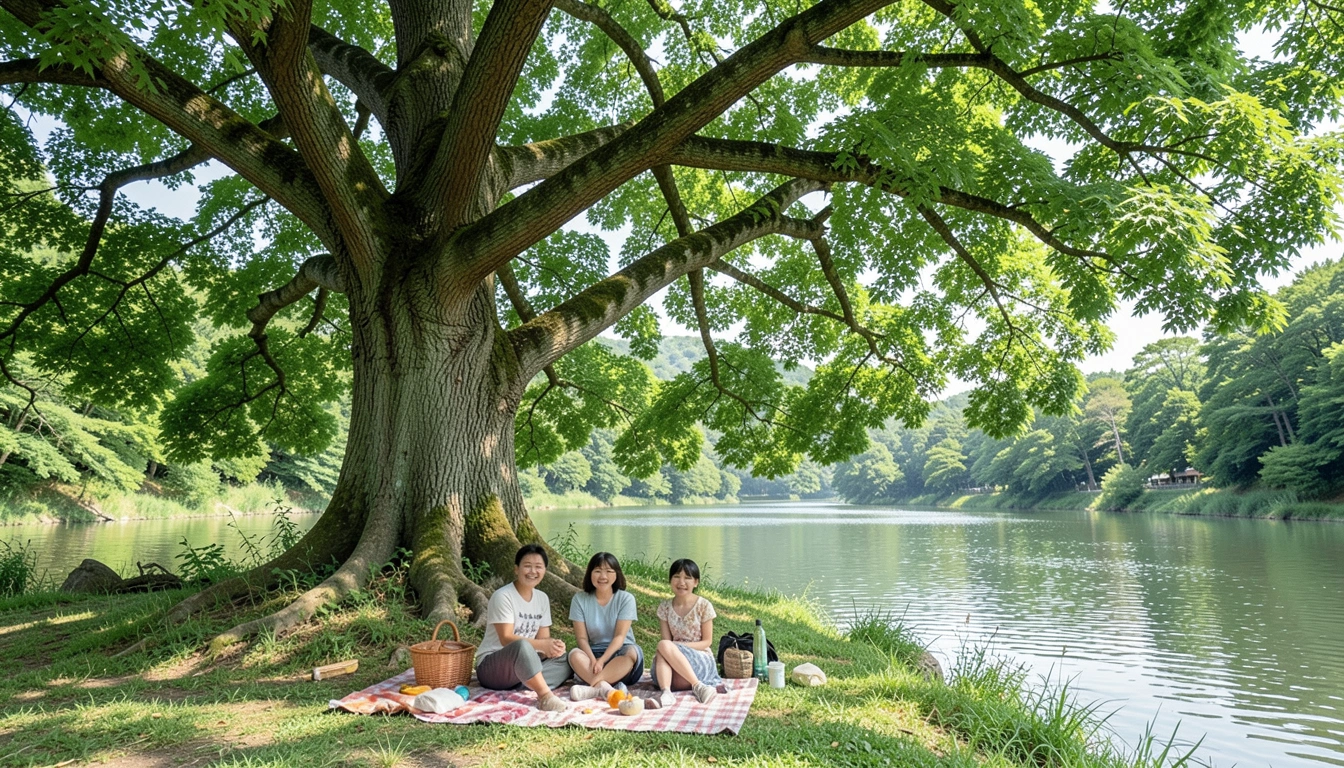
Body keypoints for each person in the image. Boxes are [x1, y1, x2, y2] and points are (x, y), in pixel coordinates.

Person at [473, 544, 571, 711]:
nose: (533, 571)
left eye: (538, 567)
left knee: (568, 659)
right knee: (521, 646)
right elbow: (506, 638)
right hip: (493, 667)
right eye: (527, 566)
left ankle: (528, 680)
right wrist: (542, 645)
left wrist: (552, 647)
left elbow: (543, 640)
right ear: (516, 569)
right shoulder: (503, 596)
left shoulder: (542, 598)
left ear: (545, 571)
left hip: (525, 664)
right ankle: (545, 696)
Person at [567, 552, 645, 700]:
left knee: (632, 652)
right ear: (590, 574)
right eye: (597, 571)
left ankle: (594, 688)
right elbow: (582, 638)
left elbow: (620, 637)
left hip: (620, 653)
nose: (603, 576)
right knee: (574, 654)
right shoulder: (579, 599)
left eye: (609, 571)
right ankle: (606, 689)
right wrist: (594, 660)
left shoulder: (626, 599)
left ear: (617, 575)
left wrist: (602, 660)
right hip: (594, 654)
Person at [653, 558, 721, 706]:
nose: (681, 582)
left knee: (664, 647)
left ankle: (697, 686)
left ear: (696, 582)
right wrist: (674, 647)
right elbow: (666, 642)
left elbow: (707, 642)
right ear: (670, 580)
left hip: (699, 657)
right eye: (676, 577)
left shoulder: (703, 605)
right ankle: (667, 693)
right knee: (663, 649)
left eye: (687, 578)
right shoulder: (664, 607)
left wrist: (678, 646)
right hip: (673, 658)